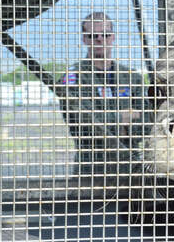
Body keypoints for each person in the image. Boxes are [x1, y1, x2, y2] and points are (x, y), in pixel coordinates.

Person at [56, 12, 149, 181]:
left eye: (105, 34)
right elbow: (82, 124)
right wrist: (123, 118)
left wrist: (111, 122)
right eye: (93, 35)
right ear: (84, 39)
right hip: (92, 170)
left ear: (112, 37)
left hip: (130, 169)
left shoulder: (131, 77)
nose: (100, 39)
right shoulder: (74, 77)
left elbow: (147, 124)